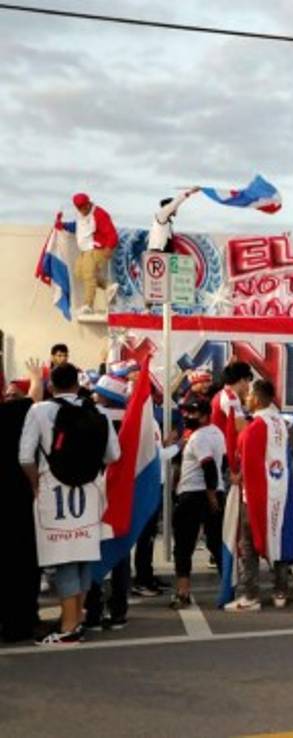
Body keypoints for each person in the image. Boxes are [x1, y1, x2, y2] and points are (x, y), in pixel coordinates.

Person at [20, 363, 120, 644]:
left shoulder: (39, 410)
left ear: (52, 385)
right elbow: (114, 454)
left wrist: (34, 483)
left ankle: (68, 628)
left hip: (52, 491)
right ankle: (77, 619)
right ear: (78, 384)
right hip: (89, 492)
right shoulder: (97, 411)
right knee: (83, 557)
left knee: (62, 558)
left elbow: (25, 456)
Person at [226, 380, 292, 611]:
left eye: (249, 396)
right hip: (279, 490)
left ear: (258, 398)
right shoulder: (279, 422)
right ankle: (280, 589)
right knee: (277, 538)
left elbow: (249, 464)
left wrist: (239, 478)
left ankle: (251, 595)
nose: (246, 399)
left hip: (256, 495)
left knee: (250, 545)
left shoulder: (255, 427)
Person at [83, 375, 131, 629]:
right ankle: (119, 610)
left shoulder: (92, 416)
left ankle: (93, 610)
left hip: (94, 489)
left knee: (93, 550)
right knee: (121, 551)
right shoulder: (137, 420)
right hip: (122, 493)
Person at [169, 398, 226, 609]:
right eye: (186, 413)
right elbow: (224, 462)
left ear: (204, 415)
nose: (187, 417)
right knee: (217, 543)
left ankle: (183, 592)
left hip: (195, 495)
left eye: (192, 413)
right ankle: (228, 587)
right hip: (215, 491)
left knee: (184, 545)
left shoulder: (198, 438)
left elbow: (209, 466)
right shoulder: (217, 433)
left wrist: (210, 495)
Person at [0, 389, 38, 642]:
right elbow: (31, 400)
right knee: (21, 565)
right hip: (16, 503)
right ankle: (20, 624)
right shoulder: (11, 415)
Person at [69, 193, 119, 314]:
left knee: (88, 275)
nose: (82, 211)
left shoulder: (99, 214)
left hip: (97, 248)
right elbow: (78, 227)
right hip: (85, 249)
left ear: (88, 203)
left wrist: (109, 247)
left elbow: (112, 233)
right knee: (78, 272)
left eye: (83, 207)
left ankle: (88, 305)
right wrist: (63, 225)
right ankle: (108, 286)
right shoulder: (81, 215)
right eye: (79, 208)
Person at [148, 188, 199, 252]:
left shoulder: (167, 221)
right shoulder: (161, 215)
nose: (176, 210)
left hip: (164, 255)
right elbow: (174, 204)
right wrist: (189, 192)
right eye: (175, 208)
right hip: (157, 254)